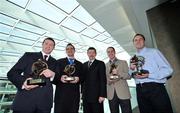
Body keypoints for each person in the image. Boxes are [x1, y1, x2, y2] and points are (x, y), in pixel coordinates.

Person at [7, 37, 57, 113]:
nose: (48, 46)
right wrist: (24, 82)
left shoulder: (55, 62)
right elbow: (12, 73)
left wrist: (53, 75)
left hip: (44, 105)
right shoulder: (28, 56)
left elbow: (59, 80)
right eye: (46, 43)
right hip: (25, 102)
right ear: (42, 45)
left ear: (53, 48)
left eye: (51, 45)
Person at [129, 33, 174, 113]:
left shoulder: (154, 52)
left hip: (155, 88)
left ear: (144, 41)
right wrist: (131, 69)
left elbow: (168, 70)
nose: (138, 41)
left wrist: (149, 75)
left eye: (140, 39)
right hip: (140, 90)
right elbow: (130, 75)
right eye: (136, 40)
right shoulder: (133, 57)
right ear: (133, 43)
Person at [53, 43, 83, 113]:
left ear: (74, 50)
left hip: (74, 98)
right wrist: (60, 78)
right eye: (67, 49)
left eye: (71, 48)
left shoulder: (80, 64)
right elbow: (54, 78)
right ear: (66, 51)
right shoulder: (59, 62)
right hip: (61, 97)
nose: (69, 50)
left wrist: (78, 79)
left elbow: (83, 78)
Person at [106, 47, 132, 113]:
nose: (110, 53)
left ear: (114, 52)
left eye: (112, 51)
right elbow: (105, 79)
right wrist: (109, 81)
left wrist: (119, 73)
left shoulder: (123, 62)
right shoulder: (105, 65)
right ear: (107, 54)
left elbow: (129, 76)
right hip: (111, 94)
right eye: (108, 52)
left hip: (123, 93)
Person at [82, 47, 107, 113]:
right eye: (89, 53)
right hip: (86, 96)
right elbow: (82, 81)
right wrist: (82, 93)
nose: (91, 54)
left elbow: (103, 80)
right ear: (87, 54)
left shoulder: (100, 63)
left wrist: (102, 95)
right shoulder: (84, 65)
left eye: (93, 52)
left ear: (95, 54)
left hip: (97, 96)